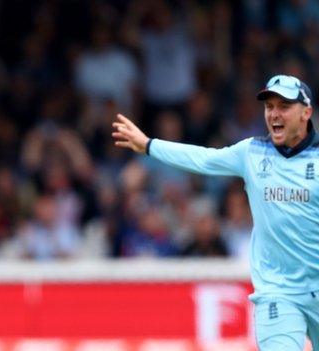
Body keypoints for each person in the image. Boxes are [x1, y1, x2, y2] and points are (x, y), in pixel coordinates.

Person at [113, 74, 319, 350]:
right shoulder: (252, 153)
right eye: (269, 107)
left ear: (306, 113)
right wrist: (150, 145)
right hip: (277, 292)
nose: (274, 114)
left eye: (284, 106)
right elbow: (204, 159)